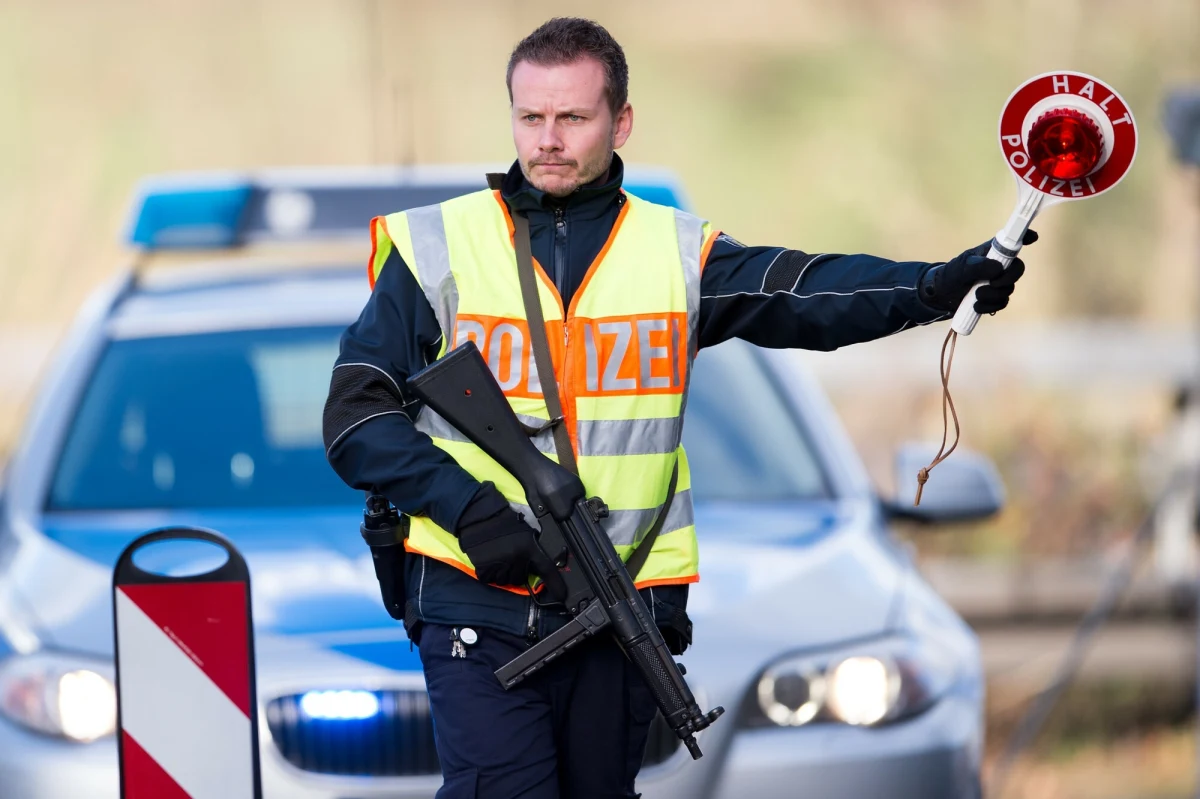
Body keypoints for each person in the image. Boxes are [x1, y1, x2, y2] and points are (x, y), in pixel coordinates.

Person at [323, 16, 1033, 799]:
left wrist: (936, 286)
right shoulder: (442, 246)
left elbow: (804, 292)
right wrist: (468, 508)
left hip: (619, 596)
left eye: (572, 117)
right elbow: (355, 418)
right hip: (476, 596)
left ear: (620, 121)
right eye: (531, 118)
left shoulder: (675, 253)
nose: (548, 139)